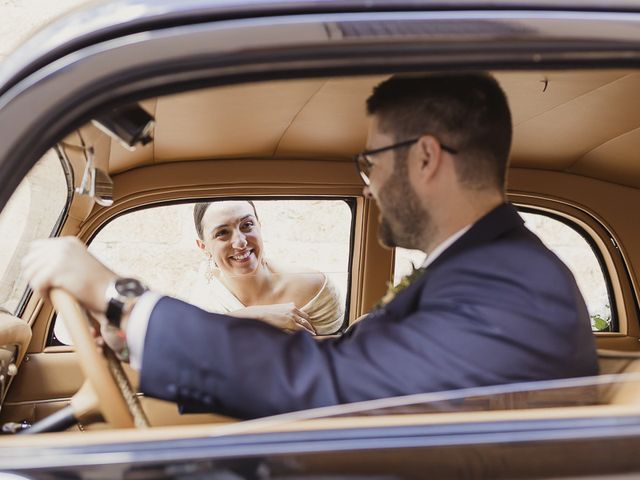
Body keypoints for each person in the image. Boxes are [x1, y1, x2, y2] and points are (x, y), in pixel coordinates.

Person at [23, 73, 599, 420]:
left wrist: (117, 295)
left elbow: (332, 385)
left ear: (425, 157)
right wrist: (129, 339)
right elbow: (348, 366)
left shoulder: (511, 287)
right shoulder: (484, 270)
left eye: (370, 162)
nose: (367, 185)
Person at [191, 200, 343, 335]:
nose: (240, 242)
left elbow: (333, 358)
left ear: (259, 225)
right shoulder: (205, 301)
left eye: (247, 225)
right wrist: (255, 316)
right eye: (222, 233)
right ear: (203, 246)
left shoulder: (314, 287)